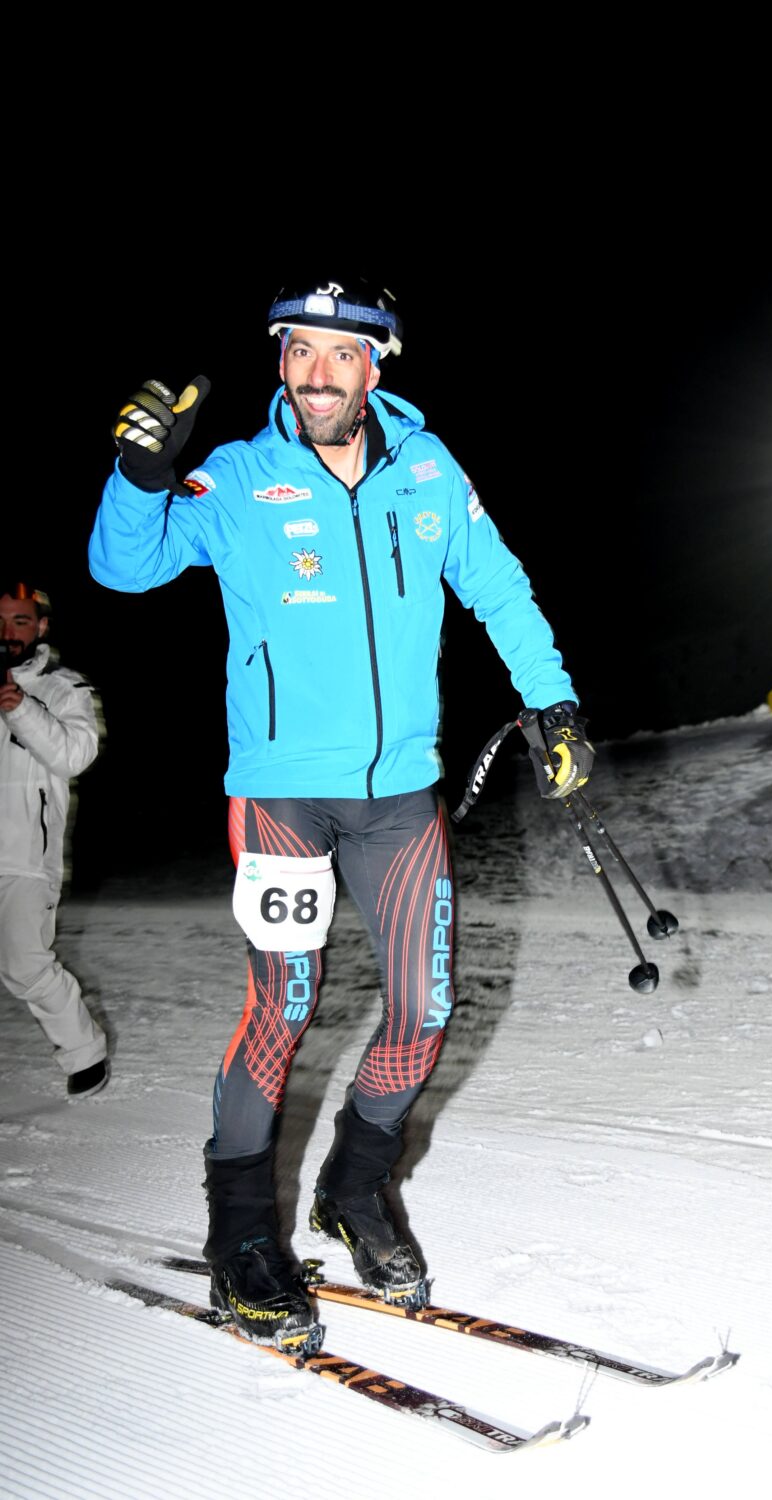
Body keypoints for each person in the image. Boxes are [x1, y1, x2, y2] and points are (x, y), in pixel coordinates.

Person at [89, 277, 594, 1354]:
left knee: (425, 1007)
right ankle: (240, 1236)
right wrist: (138, 475)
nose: (317, 375)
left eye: (341, 354)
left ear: (378, 363)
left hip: (399, 795)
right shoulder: (238, 477)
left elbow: (499, 586)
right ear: (281, 360)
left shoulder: (428, 468)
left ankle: (354, 1189)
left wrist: (553, 701)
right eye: (299, 351)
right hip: (280, 791)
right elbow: (123, 568)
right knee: (284, 1006)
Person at [0, 582, 108, 1098]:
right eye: (0, 621)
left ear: (40, 626)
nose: (8, 632)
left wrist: (21, 708)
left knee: (25, 966)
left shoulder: (65, 688)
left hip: (24, 859)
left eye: (20, 621)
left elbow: (74, 756)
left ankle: (85, 1054)